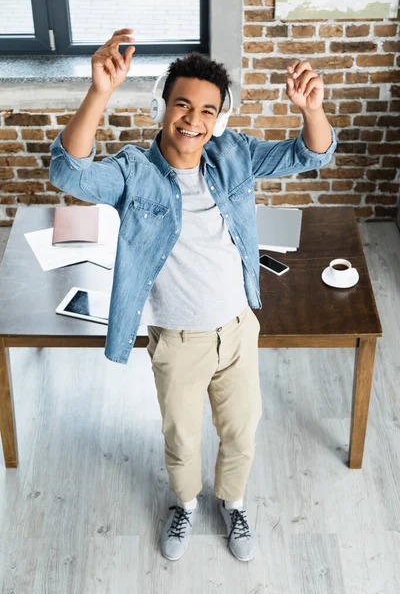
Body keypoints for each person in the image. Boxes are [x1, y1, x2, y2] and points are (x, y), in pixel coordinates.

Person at [49, 28, 336, 562]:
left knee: (241, 429)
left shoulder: (235, 155)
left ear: (220, 118)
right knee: (181, 437)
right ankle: (184, 503)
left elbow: (310, 155)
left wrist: (311, 110)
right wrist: (99, 93)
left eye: (208, 110)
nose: (193, 119)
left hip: (237, 328)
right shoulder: (134, 170)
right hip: (178, 339)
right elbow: (69, 171)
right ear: (164, 105)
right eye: (182, 104)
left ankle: (233, 502)